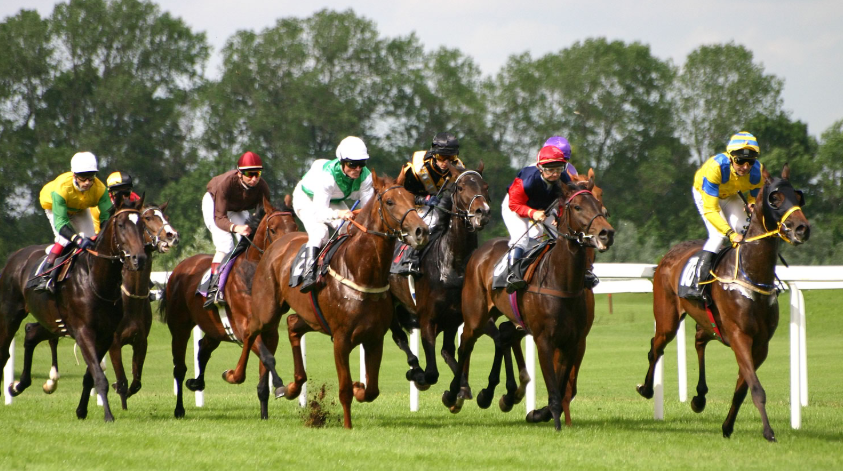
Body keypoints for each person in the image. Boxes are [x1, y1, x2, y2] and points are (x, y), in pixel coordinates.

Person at [684, 131, 764, 302]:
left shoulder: (758, 171)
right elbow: (711, 210)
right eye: (740, 161)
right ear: (730, 157)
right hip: (705, 195)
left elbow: (754, 195)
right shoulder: (716, 168)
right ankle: (698, 284)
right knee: (719, 235)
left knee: (746, 231)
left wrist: (751, 203)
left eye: (750, 162)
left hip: (729, 194)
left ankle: (749, 278)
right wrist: (730, 234)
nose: (745, 167)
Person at [293, 136, 374, 292]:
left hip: (333, 200)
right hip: (307, 198)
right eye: (353, 164)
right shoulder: (327, 176)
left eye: (361, 164)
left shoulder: (365, 176)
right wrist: (339, 214)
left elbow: (367, 211)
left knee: (350, 229)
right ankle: (309, 273)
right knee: (320, 232)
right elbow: (319, 213)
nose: (358, 169)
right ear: (342, 161)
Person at [36, 151, 112, 292]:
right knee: (65, 240)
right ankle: (46, 274)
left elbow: (106, 216)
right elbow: (61, 223)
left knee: (93, 240)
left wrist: (101, 234)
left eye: (91, 178)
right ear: (74, 176)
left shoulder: (100, 188)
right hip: (54, 207)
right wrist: (77, 239)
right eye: (83, 178)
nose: (88, 183)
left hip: (79, 209)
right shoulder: (62, 188)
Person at [202, 151, 271, 306]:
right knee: (226, 245)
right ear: (240, 174)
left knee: (249, 242)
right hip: (215, 205)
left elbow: (265, 213)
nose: (254, 178)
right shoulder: (226, 184)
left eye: (257, 173)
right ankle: (214, 288)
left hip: (237, 208)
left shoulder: (262, 187)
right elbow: (220, 218)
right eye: (249, 174)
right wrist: (236, 227)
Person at [502, 145, 570, 292]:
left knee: (561, 236)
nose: (555, 174)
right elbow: (514, 204)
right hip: (515, 207)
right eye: (550, 170)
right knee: (522, 238)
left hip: (544, 207)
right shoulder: (527, 180)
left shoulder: (564, 178)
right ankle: (513, 275)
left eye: (558, 169)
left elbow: (566, 200)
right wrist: (532, 213)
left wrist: (559, 216)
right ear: (540, 168)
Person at [396, 132, 465, 275]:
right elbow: (400, 194)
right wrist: (423, 200)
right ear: (434, 154)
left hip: (439, 205)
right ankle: (411, 259)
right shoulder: (415, 167)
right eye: (441, 157)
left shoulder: (459, 168)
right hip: (411, 206)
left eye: (451, 158)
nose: (446, 163)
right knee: (431, 222)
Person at [540, 136, 599, 288]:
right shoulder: (537, 168)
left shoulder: (569, 170)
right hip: (534, 208)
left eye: (564, 159)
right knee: (532, 240)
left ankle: (586, 269)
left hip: (557, 209)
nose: (561, 163)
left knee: (577, 236)